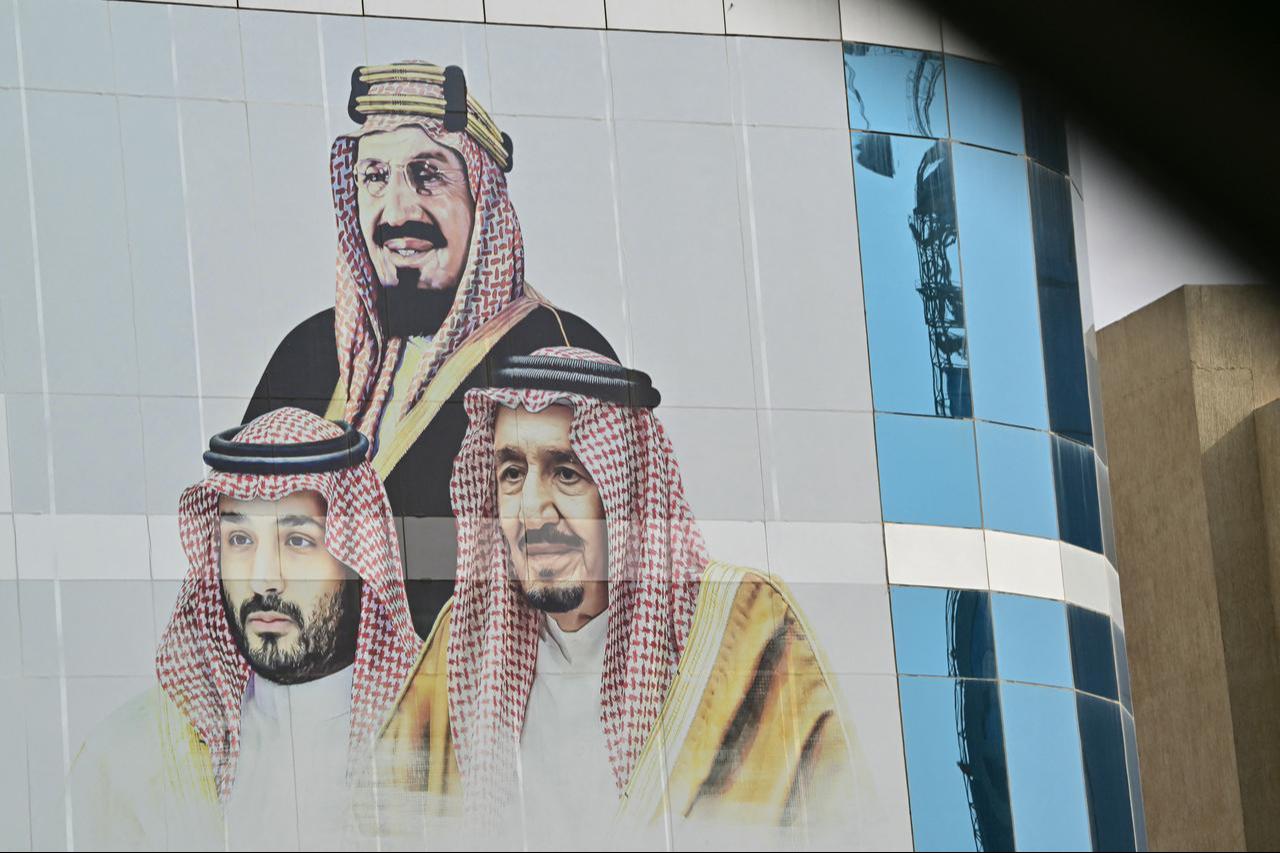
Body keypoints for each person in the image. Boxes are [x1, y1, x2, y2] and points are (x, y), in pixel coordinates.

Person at [373, 349, 866, 848]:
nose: (531, 510)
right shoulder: (465, 641)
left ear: (625, 493)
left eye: (566, 472)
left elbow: (838, 825)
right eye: (512, 474)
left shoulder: (741, 626)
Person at [243, 62, 616, 636]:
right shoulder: (307, 354)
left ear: (482, 201)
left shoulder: (557, 352)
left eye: (427, 176)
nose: (396, 212)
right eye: (374, 177)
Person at [68, 408, 420, 851]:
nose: (263, 579)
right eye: (239, 540)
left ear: (357, 560)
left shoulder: (443, 738)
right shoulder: (133, 757)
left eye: (297, 541)